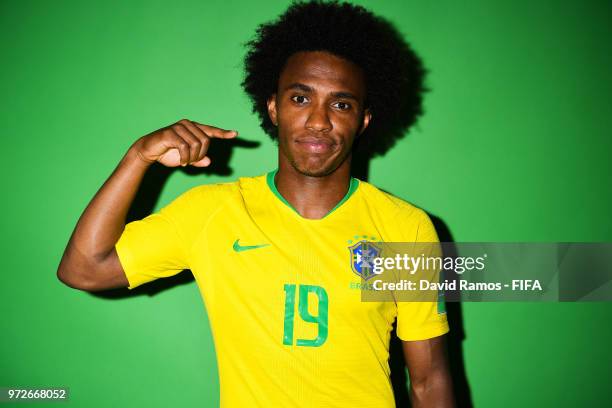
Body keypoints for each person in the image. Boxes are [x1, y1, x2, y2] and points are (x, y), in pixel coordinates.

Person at [57, 1, 454, 406]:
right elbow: (83, 269)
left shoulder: (406, 228)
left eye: (341, 104)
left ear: (364, 120)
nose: (319, 121)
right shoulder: (212, 213)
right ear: (273, 107)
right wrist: (138, 157)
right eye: (300, 99)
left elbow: (429, 380)